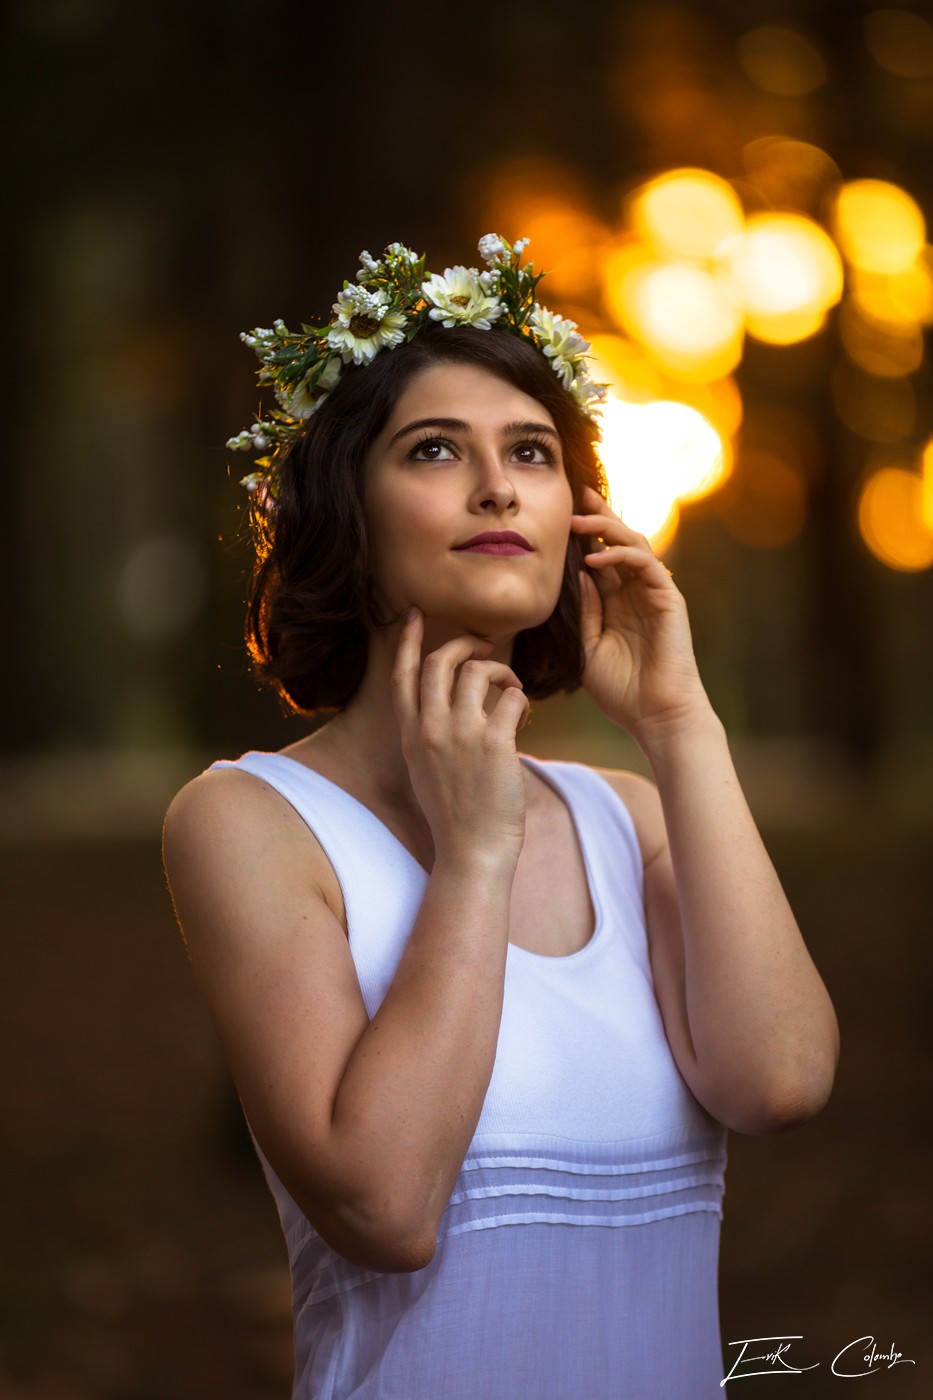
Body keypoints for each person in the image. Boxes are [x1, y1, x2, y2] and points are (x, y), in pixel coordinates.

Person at [162, 235, 839, 1399]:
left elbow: (777, 1080)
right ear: (345, 507)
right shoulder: (252, 822)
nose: (499, 486)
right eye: (436, 449)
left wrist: (682, 728)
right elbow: (383, 1203)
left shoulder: (634, 814)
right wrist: (474, 851)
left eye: (531, 451)